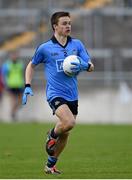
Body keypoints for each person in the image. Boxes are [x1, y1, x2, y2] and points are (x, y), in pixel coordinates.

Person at [22, 11, 94, 174]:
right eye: (64, 23)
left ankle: (50, 165)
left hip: (72, 95)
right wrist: (27, 85)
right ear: (55, 26)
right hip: (55, 93)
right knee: (69, 123)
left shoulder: (77, 45)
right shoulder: (45, 48)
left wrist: (85, 66)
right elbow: (31, 65)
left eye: (69, 23)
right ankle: (51, 136)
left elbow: (90, 65)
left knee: (66, 132)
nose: (68, 26)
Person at [2, 50, 24, 120]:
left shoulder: (21, 64)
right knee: (13, 100)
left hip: (20, 84)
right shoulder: (6, 65)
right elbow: (4, 76)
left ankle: (13, 111)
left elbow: (23, 74)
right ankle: (13, 114)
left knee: (21, 101)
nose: (14, 57)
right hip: (11, 85)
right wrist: (5, 84)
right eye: (13, 55)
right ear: (10, 56)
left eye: (15, 55)